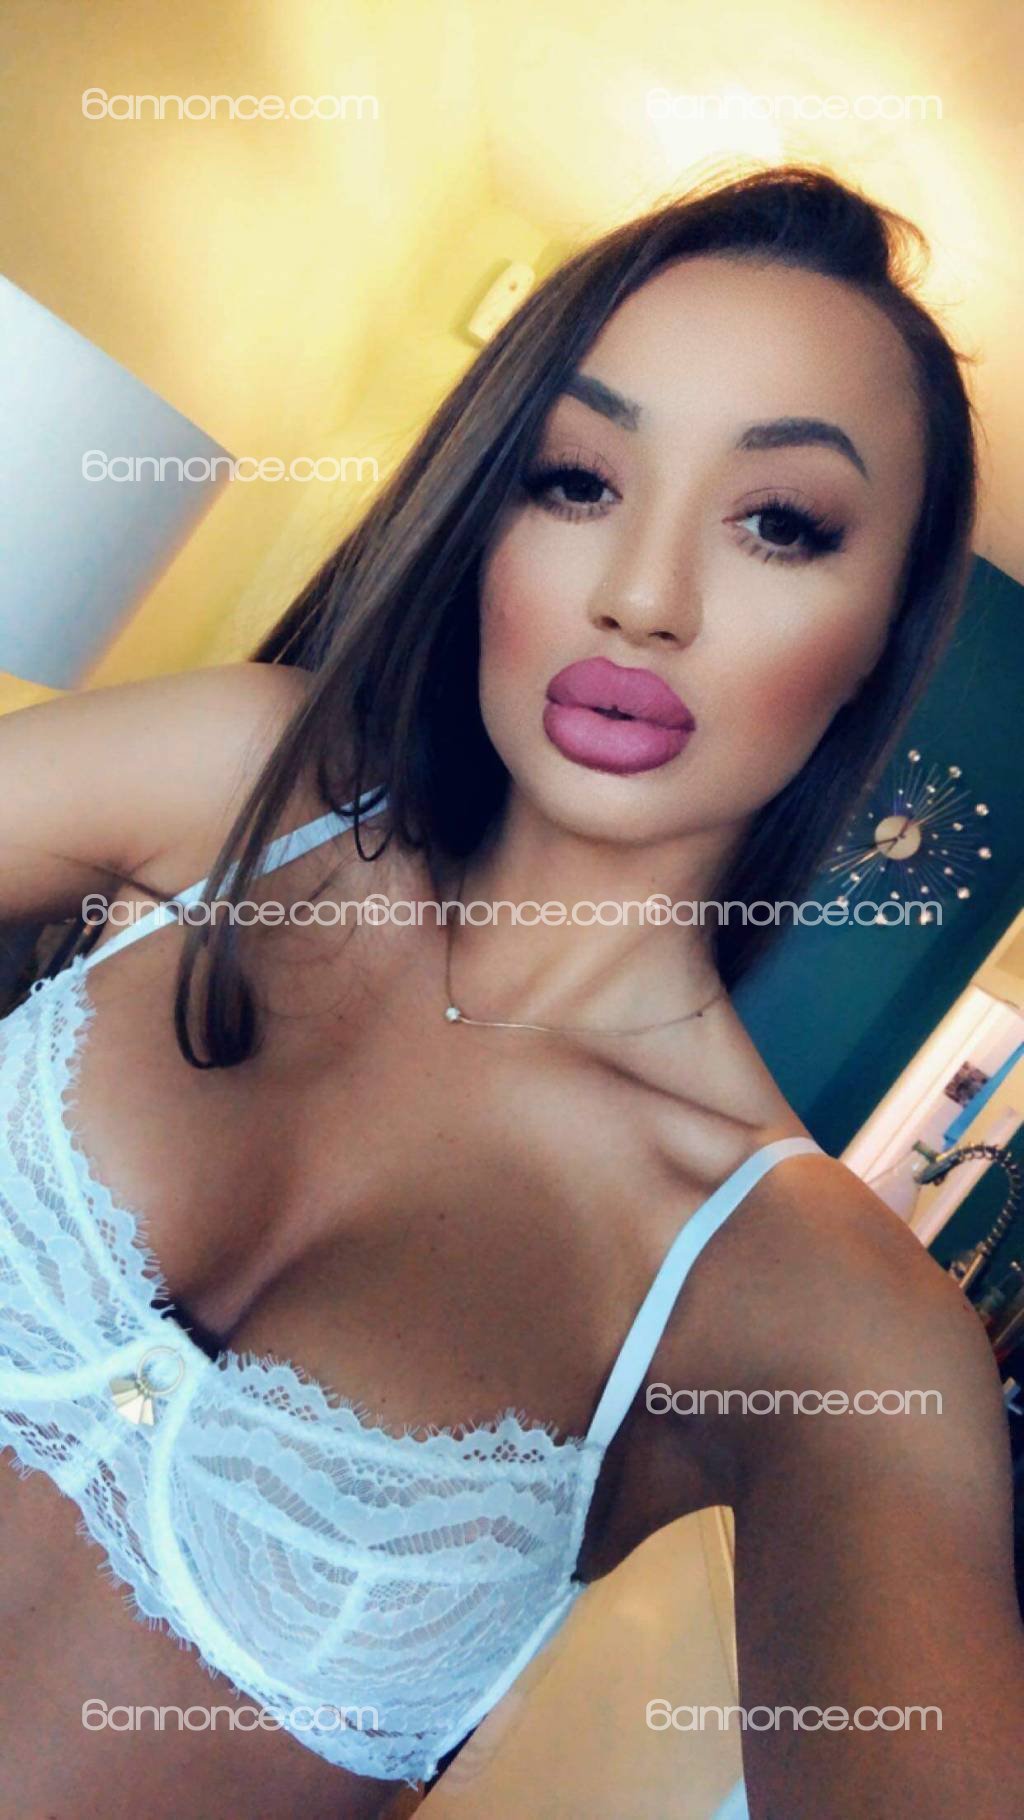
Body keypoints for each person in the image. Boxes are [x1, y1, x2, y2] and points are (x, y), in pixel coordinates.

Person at [1, 163, 1021, 1820]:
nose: (644, 596)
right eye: (576, 480)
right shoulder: (236, 784)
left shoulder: (804, 1301)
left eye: (780, 523)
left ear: (881, 635)